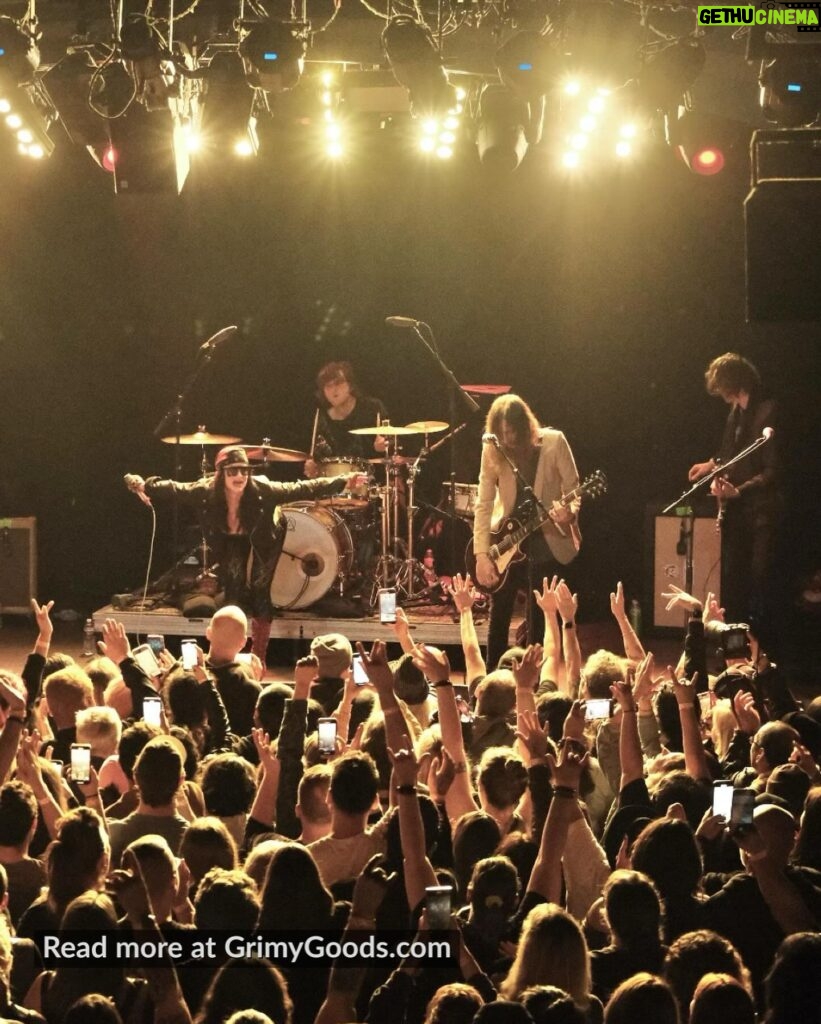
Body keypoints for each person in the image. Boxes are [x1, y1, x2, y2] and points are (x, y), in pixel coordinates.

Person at [125, 445, 356, 662]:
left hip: (266, 536)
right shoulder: (204, 491)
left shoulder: (263, 490)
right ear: (220, 474)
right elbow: (174, 488)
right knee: (234, 591)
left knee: (259, 589)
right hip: (230, 539)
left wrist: (343, 480)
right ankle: (230, 651)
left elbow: (303, 488)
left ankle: (259, 656)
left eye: (244, 471)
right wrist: (139, 483)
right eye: (233, 471)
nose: (240, 476)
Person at [473, 395, 581, 671]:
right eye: (502, 432)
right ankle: (490, 680)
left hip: (547, 538)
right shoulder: (492, 448)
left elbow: (573, 489)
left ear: (524, 428)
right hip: (509, 539)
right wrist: (481, 554)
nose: (507, 438)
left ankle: (537, 680)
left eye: (512, 432)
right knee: (500, 611)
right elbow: (484, 502)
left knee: (540, 612)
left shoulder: (554, 442)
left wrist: (568, 512)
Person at [687, 353, 780, 639]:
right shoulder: (736, 413)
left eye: (721, 387)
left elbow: (771, 471)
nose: (720, 395)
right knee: (733, 577)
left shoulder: (768, 412)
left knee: (759, 577)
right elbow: (730, 455)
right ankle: (734, 640)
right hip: (737, 511)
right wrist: (711, 466)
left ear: (733, 383)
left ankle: (762, 641)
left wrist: (739, 490)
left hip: (763, 510)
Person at [304, 361, 388, 476]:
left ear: (351, 386)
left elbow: (395, 445)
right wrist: (313, 468)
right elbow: (319, 459)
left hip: (373, 481)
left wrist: (386, 446)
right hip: (336, 486)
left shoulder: (372, 408)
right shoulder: (321, 419)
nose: (334, 390)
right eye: (328, 386)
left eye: (338, 383)